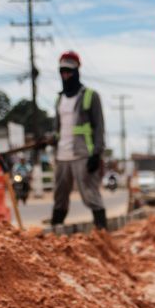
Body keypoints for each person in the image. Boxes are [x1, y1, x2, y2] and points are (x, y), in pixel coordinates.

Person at [50, 50, 108, 230]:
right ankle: (55, 229)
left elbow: (99, 127)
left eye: (68, 71)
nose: (65, 75)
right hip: (62, 155)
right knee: (60, 195)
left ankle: (102, 230)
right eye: (62, 72)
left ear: (76, 72)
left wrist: (97, 154)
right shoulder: (59, 98)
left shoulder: (90, 96)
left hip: (83, 153)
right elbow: (58, 128)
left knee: (90, 194)